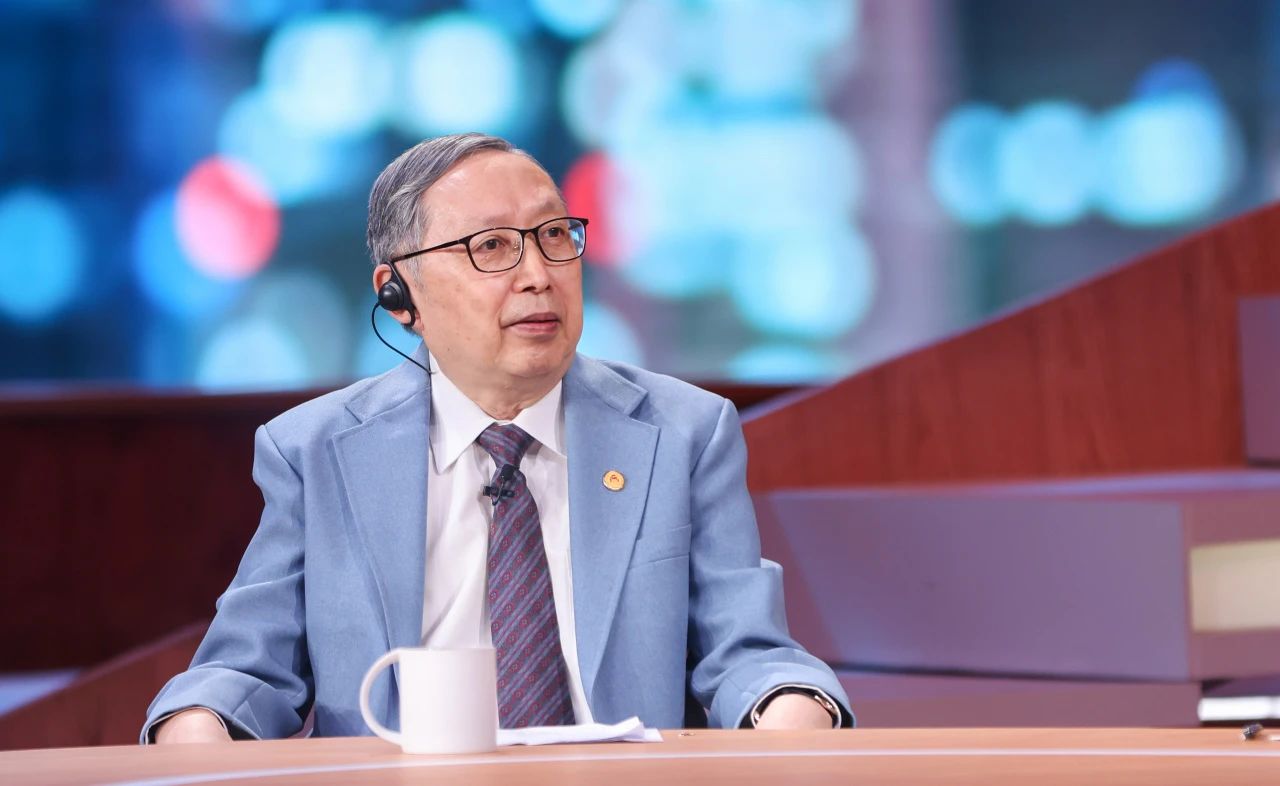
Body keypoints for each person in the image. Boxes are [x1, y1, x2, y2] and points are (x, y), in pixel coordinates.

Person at [143, 133, 852, 743]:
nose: (538, 276)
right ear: (400, 295)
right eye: (491, 247)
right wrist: (199, 725)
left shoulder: (685, 432)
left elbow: (749, 652)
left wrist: (790, 707)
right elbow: (244, 671)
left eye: (554, 236)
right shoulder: (314, 452)